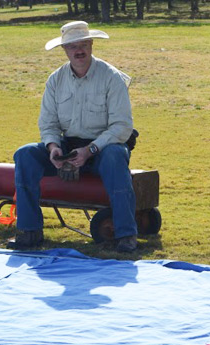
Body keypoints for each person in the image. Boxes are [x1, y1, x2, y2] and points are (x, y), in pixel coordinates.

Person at [8, 21, 138, 252]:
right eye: (72, 46)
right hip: (67, 145)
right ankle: (29, 231)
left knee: (116, 157)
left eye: (83, 44)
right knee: (25, 154)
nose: (79, 50)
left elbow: (122, 127)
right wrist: (53, 148)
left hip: (103, 148)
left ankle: (126, 234)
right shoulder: (55, 80)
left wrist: (90, 150)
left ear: (91, 45)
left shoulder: (111, 77)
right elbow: (48, 123)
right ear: (64, 50)